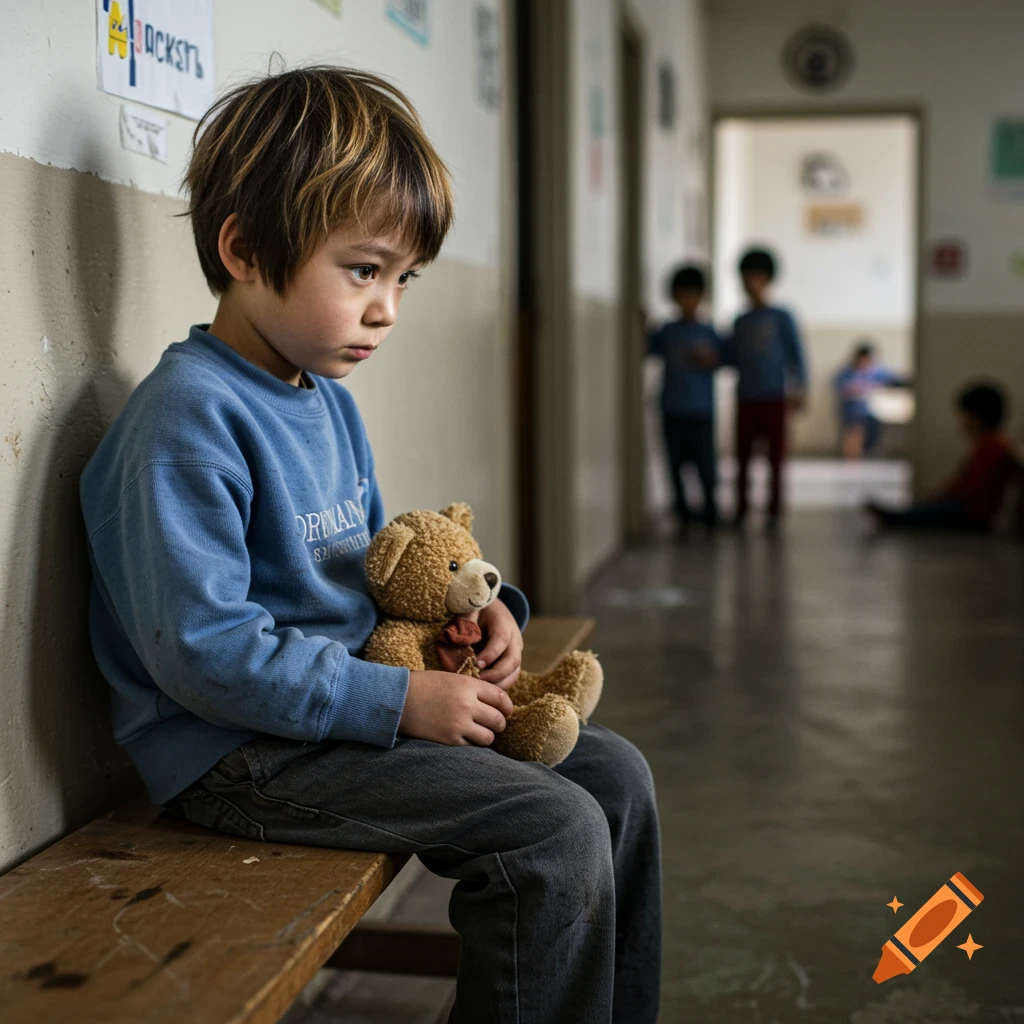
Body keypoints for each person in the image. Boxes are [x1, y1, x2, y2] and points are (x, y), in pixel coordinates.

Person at [78, 67, 661, 1024]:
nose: (388, 307)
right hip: (240, 753)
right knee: (550, 830)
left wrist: (478, 626)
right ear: (246, 249)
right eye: (363, 270)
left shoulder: (329, 403)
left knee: (616, 778)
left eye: (404, 278)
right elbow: (201, 654)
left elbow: (388, 583)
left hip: (338, 714)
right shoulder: (187, 417)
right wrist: (402, 698)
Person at [724, 248, 808, 529]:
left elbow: (797, 355)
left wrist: (801, 388)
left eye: (757, 276)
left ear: (768, 279)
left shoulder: (782, 317)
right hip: (746, 396)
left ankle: (773, 511)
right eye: (746, 277)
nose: (751, 282)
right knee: (743, 457)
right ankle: (741, 509)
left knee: (776, 457)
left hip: (774, 395)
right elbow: (730, 357)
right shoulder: (740, 321)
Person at [866, 383, 1018, 532]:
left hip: (972, 512)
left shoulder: (992, 446)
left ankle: (893, 516)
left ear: (977, 418)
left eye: (963, 416)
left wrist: (941, 495)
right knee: (926, 509)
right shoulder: (992, 443)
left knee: (925, 513)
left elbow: (969, 487)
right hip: (970, 508)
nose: (960, 422)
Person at [646, 265, 722, 532]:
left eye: (694, 294)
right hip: (671, 409)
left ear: (701, 297)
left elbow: (723, 360)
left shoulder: (709, 332)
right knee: (674, 465)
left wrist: (710, 359)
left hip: (702, 410)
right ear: (673, 296)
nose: (688, 300)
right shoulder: (666, 332)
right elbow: (645, 348)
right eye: (682, 294)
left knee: (705, 466)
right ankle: (683, 514)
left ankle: (711, 510)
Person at [834, 341, 906, 459]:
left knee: (878, 420)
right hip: (852, 410)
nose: (865, 363)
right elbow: (841, 388)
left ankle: (871, 449)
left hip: (875, 410)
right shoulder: (846, 372)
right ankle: (853, 454)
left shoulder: (877, 372)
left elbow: (893, 380)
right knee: (856, 419)